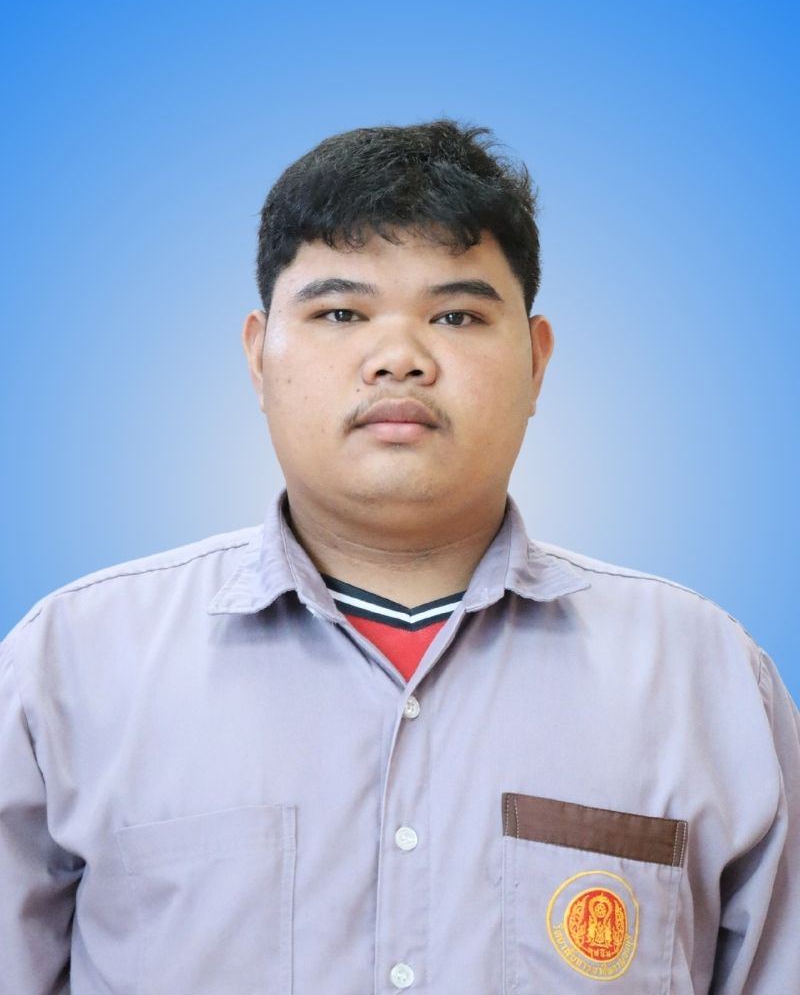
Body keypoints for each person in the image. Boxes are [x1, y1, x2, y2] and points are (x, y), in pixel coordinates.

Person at [1, 119, 797, 995]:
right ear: (258, 356)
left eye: (456, 315)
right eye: (341, 313)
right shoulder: (71, 666)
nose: (399, 360)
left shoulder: (704, 678)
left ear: (537, 363)